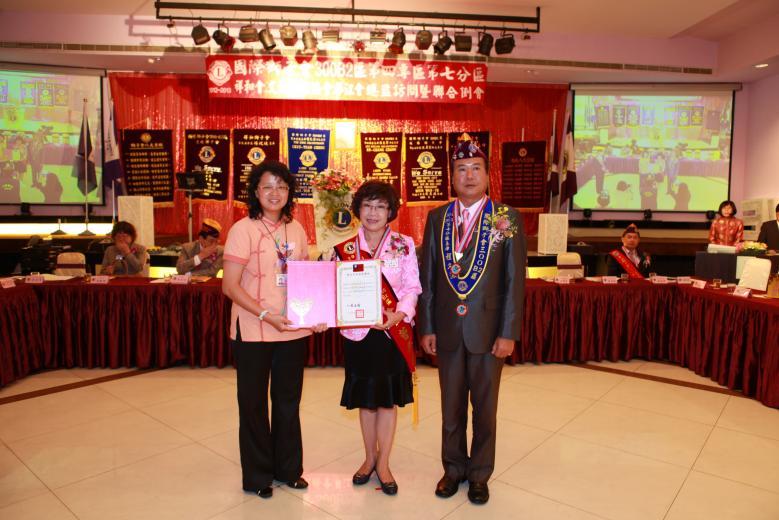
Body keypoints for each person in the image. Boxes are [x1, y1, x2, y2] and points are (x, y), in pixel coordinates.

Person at [418, 141, 526, 505]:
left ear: (487, 175)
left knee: (485, 409)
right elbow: (428, 277)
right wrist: (427, 326)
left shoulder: (506, 218)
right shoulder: (437, 218)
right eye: (461, 169)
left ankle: (479, 474)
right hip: (447, 330)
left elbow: (514, 280)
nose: (468, 176)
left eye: (476, 168)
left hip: (489, 332)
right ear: (451, 177)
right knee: (450, 408)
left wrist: (508, 332)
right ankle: (453, 469)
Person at [222, 160, 326, 499]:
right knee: (253, 404)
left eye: (281, 186)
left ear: (289, 192)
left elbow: (305, 278)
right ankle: (258, 476)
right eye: (267, 186)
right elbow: (230, 286)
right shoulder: (243, 229)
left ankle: (288, 470)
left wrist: (317, 312)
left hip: (292, 329)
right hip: (254, 329)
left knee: (287, 402)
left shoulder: (296, 229)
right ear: (255, 191)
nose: (274, 193)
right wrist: (266, 314)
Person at [326, 180, 421, 495]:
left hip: (392, 334)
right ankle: (369, 458)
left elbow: (412, 287)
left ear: (390, 211)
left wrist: (400, 313)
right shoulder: (344, 249)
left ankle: (384, 463)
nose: (373, 212)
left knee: (386, 402)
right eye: (367, 205)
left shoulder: (404, 244)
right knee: (366, 403)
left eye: (381, 206)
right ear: (358, 209)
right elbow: (334, 292)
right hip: (359, 335)